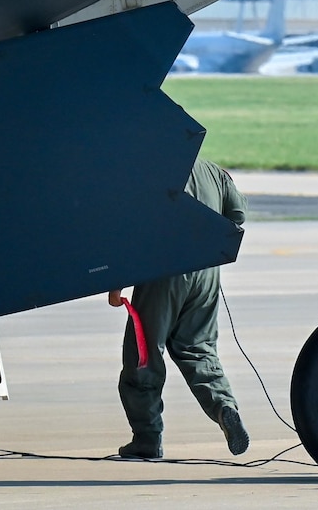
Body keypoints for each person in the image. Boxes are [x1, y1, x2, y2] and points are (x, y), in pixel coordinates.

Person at [111, 155, 250, 460]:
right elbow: (237, 213)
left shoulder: (149, 169)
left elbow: (126, 228)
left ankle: (147, 437)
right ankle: (224, 406)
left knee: (143, 352)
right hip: (207, 273)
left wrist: (117, 280)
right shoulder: (213, 171)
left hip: (166, 269)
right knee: (197, 347)